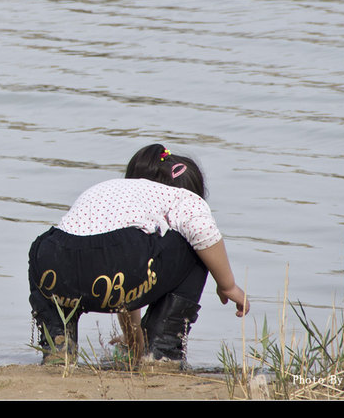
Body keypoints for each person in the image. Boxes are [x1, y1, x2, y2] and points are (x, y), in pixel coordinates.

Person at [28, 143, 248, 365]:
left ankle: (58, 346)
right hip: (125, 263)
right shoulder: (183, 197)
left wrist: (134, 340)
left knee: (45, 249)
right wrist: (227, 285)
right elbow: (203, 233)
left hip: (53, 262)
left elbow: (122, 281)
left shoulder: (114, 190)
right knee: (196, 247)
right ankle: (162, 351)